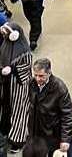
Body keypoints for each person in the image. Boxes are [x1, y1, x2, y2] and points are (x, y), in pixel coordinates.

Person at [27, 58, 72, 156]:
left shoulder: (59, 88)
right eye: (35, 75)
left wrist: (65, 139)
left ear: (49, 73)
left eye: (41, 76)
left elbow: (68, 114)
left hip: (54, 135)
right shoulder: (32, 83)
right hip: (38, 133)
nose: (37, 79)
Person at [0, 22, 32, 151]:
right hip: (6, 85)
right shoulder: (5, 45)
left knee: (19, 111)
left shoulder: (24, 50)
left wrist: (12, 69)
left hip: (19, 86)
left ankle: (17, 140)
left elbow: (27, 66)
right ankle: (6, 131)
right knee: (7, 108)